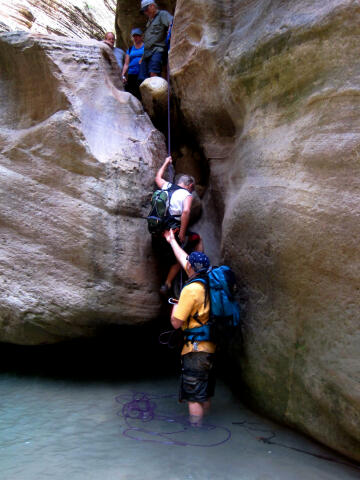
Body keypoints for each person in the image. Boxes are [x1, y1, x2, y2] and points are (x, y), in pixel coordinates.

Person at [164, 229, 216, 424]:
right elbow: (184, 258)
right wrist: (172, 241)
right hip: (210, 347)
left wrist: (176, 304)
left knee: (193, 395)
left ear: (191, 269)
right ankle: (207, 425)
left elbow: (176, 323)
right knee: (205, 392)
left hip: (194, 351)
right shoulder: (210, 283)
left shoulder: (191, 289)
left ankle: (197, 431)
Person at [155, 155, 203, 295]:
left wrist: (165, 163)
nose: (192, 191)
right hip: (173, 232)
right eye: (192, 189)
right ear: (189, 186)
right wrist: (182, 233)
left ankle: (168, 283)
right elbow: (186, 211)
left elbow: (157, 177)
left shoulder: (167, 186)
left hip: (159, 230)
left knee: (175, 253)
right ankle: (170, 282)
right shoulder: (187, 195)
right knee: (185, 250)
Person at [138, 1, 173, 83]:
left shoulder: (162, 14)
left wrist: (170, 31)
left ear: (152, 6)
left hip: (157, 50)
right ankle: (146, 96)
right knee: (142, 79)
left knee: (153, 74)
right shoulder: (149, 21)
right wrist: (142, 56)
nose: (145, 12)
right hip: (146, 53)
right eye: (144, 11)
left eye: (146, 10)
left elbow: (171, 22)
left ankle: (156, 96)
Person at [121, 28, 144, 100]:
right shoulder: (130, 49)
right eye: (134, 36)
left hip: (142, 73)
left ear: (141, 37)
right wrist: (123, 74)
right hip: (132, 73)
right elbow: (126, 63)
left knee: (141, 93)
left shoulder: (145, 47)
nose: (135, 38)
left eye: (137, 36)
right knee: (132, 92)